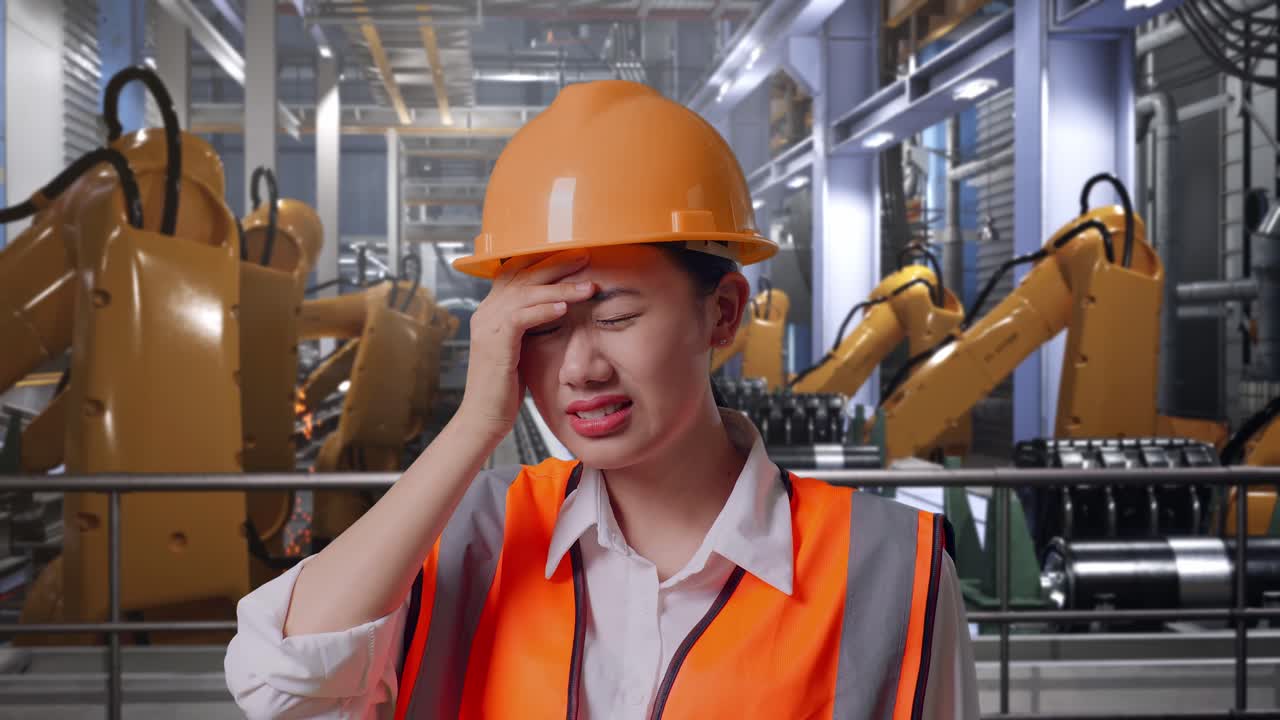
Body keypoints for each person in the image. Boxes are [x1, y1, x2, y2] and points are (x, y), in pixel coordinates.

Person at [224, 80, 979, 720]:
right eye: (544, 327)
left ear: (722, 313)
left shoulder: (887, 570)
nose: (580, 367)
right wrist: (471, 431)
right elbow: (275, 681)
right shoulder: (471, 537)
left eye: (617, 317)